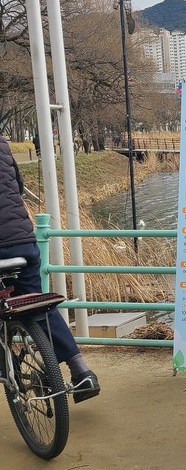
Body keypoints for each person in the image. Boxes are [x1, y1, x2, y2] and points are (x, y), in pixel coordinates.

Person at [0, 135, 100, 403]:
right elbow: (18, 186)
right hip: (22, 243)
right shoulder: (3, 145)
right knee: (37, 303)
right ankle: (81, 371)